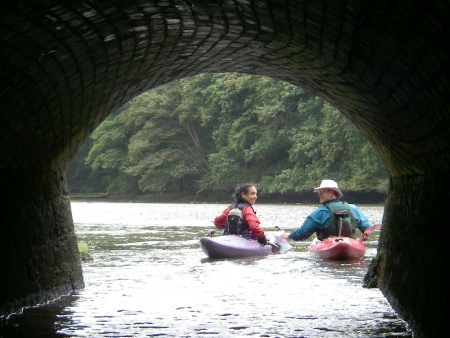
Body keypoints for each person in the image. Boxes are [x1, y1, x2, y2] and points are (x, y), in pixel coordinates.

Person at [280, 179, 371, 242]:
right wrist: (365, 235)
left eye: (321, 192)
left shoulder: (320, 212)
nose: (319, 195)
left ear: (331, 192)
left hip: (328, 244)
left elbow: (303, 233)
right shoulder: (352, 208)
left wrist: (288, 236)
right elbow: (368, 228)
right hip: (351, 243)